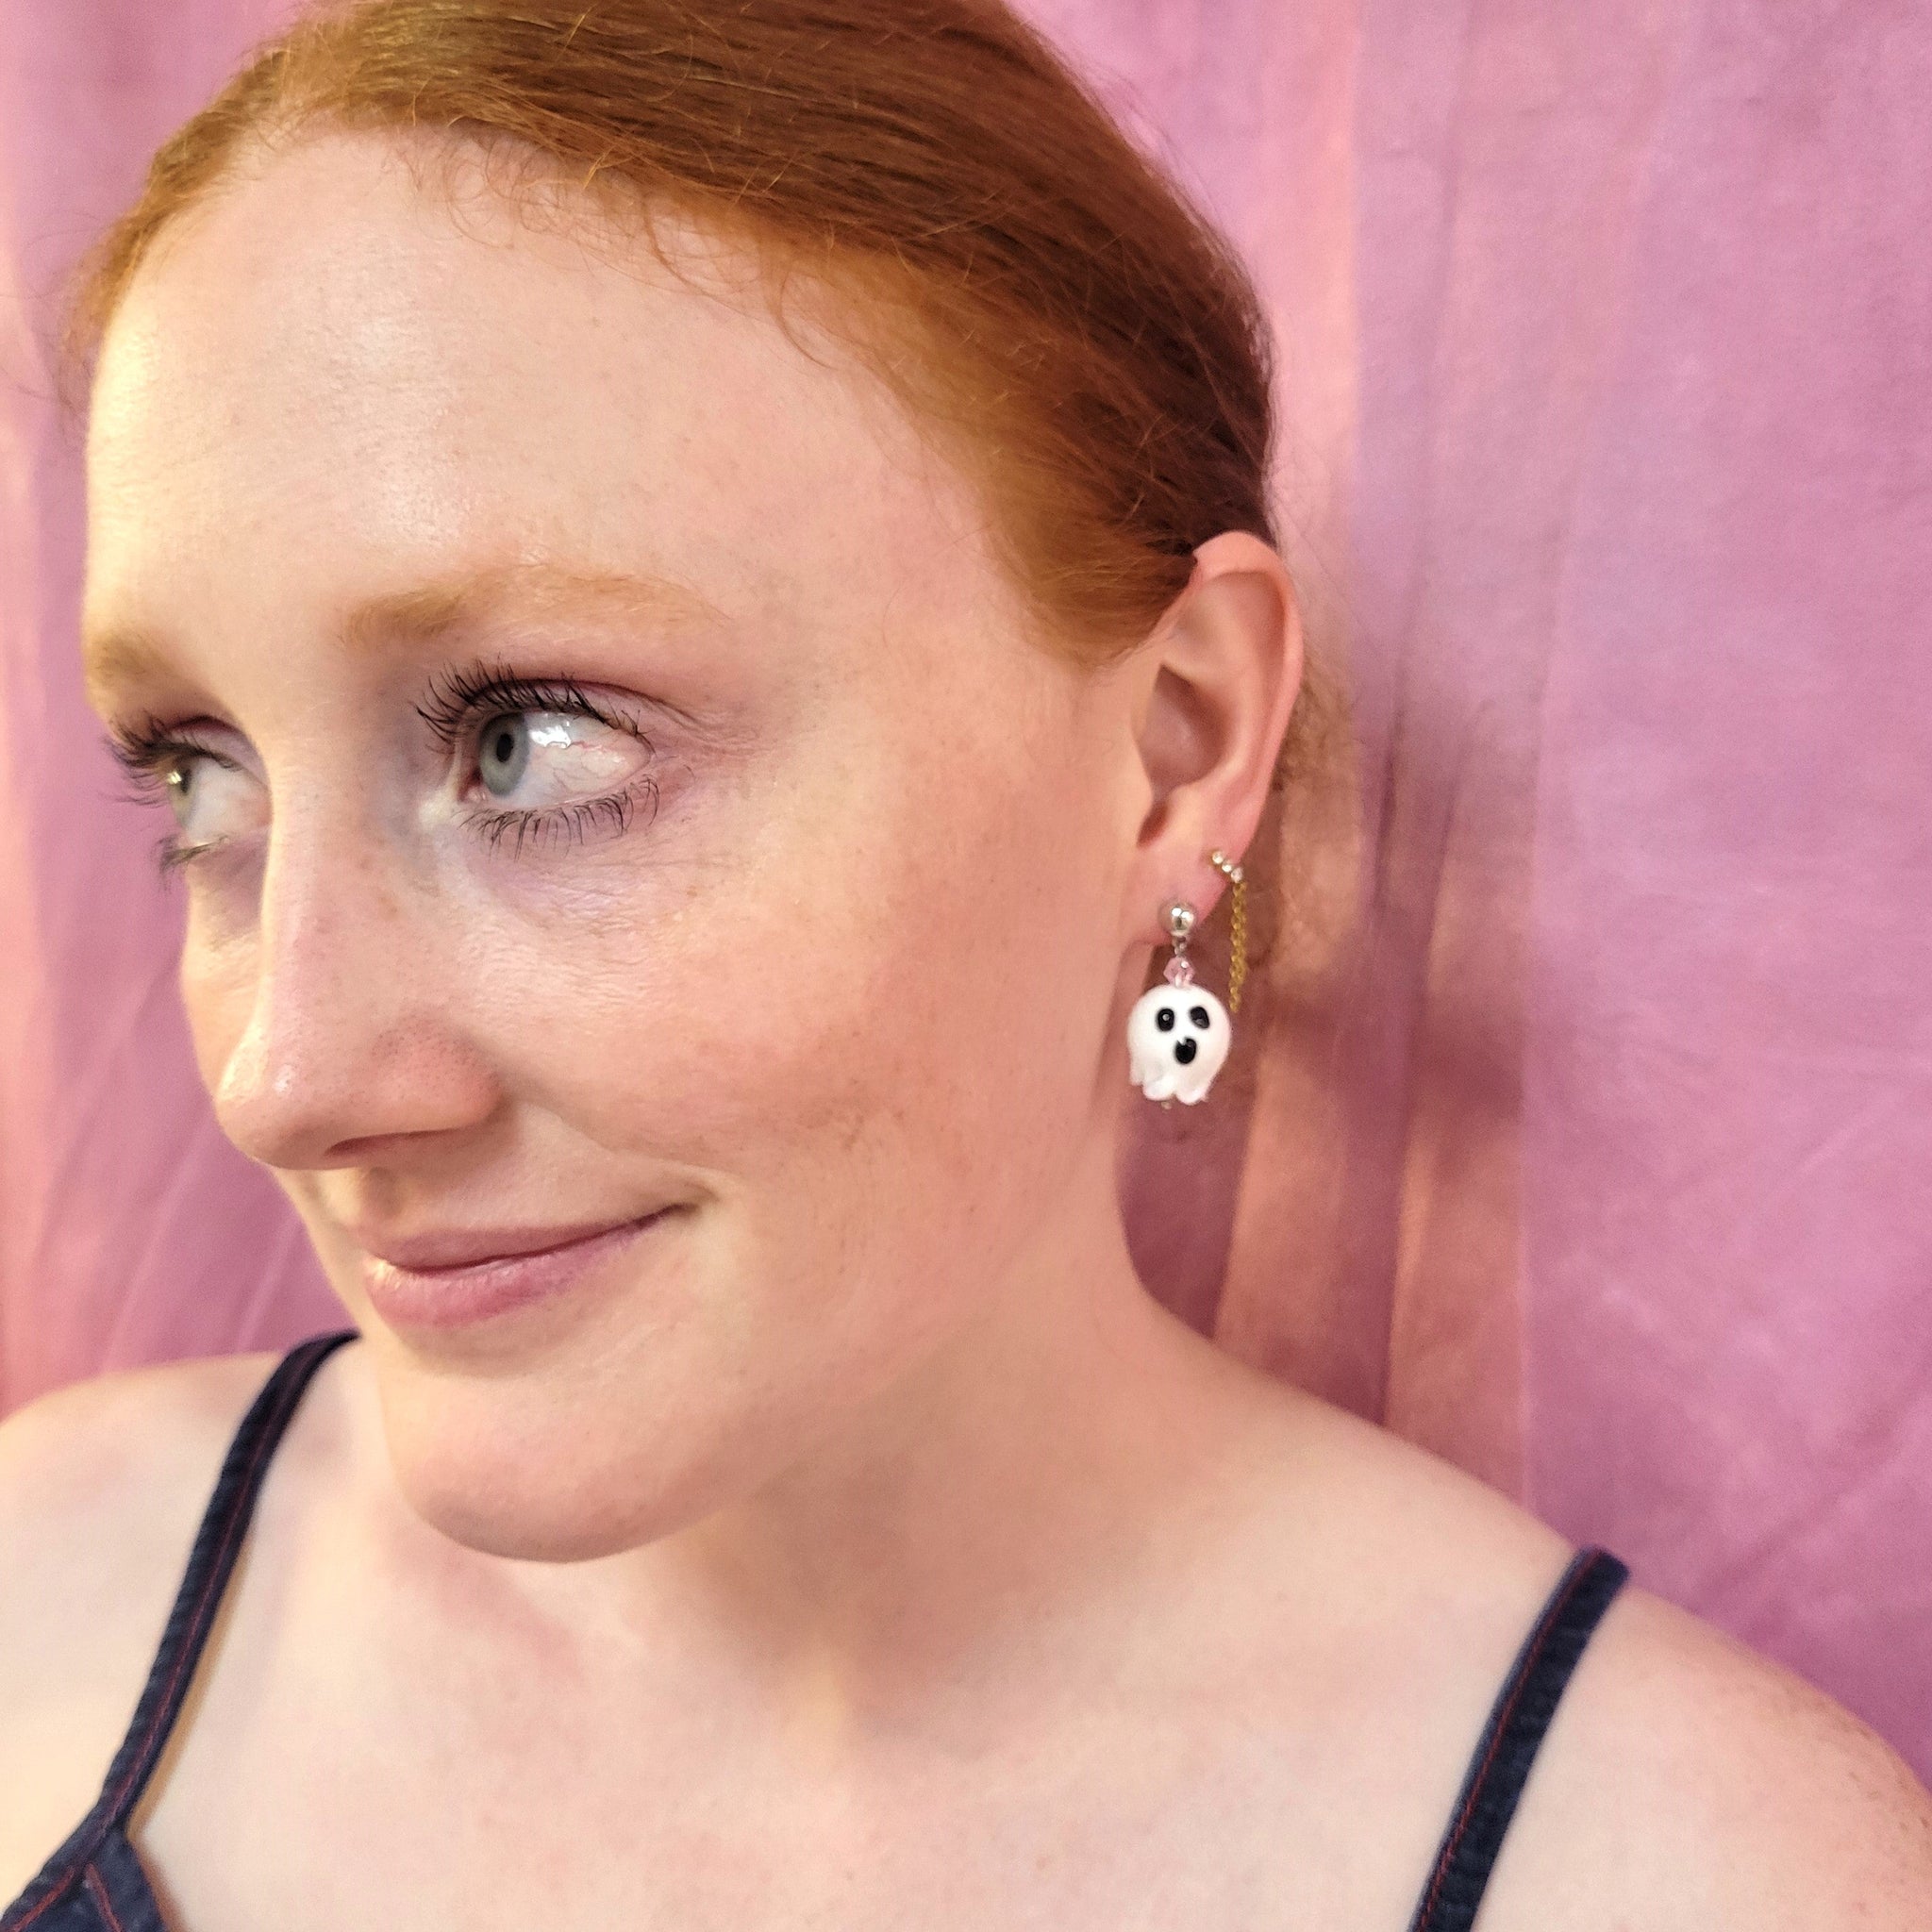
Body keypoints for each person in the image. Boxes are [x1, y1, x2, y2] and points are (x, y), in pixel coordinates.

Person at [0, 2, 1925, 1925]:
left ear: (1172, 742)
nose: (284, 1078)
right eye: (200, 778)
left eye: (532, 744)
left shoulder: (1693, 1879)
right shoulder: (40, 1601)